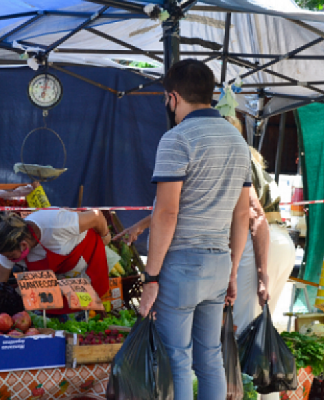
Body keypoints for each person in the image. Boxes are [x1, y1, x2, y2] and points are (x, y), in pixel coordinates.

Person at [115, 59, 251, 400]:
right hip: (220, 262)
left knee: (175, 358)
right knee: (209, 358)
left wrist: (151, 278)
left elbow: (167, 213)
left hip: (182, 264)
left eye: (166, 98)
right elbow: (242, 214)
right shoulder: (238, 142)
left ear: (173, 97)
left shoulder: (177, 139)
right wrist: (233, 270)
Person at [226, 116, 296, 340]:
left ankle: (245, 376)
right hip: (282, 241)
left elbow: (255, 216)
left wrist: (260, 273)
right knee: (259, 331)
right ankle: (258, 375)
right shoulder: (249, 155)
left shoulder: (232, 157)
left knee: (243, 331)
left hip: (260, 242)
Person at [0, 210, 111, 310]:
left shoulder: (57, 223)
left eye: (11, 256)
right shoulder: (9, 245)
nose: (9, 259)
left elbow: (97, 216)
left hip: (85, 259)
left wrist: (105, 236)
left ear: (24, 245)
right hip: (62, 272)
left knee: (88, 304)